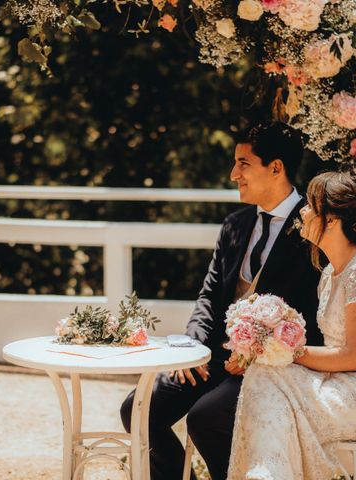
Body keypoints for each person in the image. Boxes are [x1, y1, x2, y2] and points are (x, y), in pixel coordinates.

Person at [120, 122, 323, 479]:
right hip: (211, 356)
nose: (233, 174)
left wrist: (259, 354)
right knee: (136, 410)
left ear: (275, 168)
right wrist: (192, 349)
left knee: (205, 418)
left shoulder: (312, 228)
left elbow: (313, 312)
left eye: (243, 164)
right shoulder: (235, 224)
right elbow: (210, 296)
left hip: (272, 366)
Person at [228, 170, 356, 479]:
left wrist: (284, 352)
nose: (303, 211)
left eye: (311, 205)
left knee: (273, 381)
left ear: (333, 220)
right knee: (266, 374)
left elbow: (355, 356)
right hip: (353, 382)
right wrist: (270, 351)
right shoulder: (331, 272)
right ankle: (268, 473)